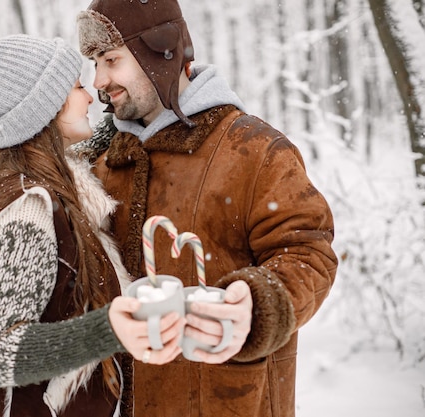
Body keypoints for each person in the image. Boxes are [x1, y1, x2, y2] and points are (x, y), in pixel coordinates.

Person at [74, 1, 339, 417]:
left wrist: (258, 304)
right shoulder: (100, 164)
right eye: (94, 63)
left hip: (227, 401)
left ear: (159, 51)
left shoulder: (254, 151)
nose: (100, 80)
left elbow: (308, 253)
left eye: (111, 60)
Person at [0, 34, 186, 417]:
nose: (89, 94)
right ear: (43, 108)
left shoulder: (12, 183)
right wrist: (108, 329)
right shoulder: (26, 210)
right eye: (77, 86)